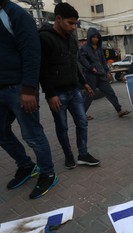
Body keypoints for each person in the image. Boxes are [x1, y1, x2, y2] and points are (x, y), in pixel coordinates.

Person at [0, 0, 58, 199]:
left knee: (32, 134)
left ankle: (48, 172)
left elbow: (32, 52)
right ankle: (25, 165)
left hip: (19, 88)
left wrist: (29, 89)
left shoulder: (14, 14)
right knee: (1, 132)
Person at [39, 2, 100, 169]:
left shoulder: (71, 39)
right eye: (70, 23)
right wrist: (50, 94)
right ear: (58, 19)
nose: (74, 27)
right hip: (57, 94)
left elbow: (74, 65)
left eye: (75, 23)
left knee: (82, 122)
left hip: (74, 91)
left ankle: (83, 154)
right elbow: (42, 70)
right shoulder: (44, 38)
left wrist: (84, 83)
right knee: (62, 127)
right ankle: (68, 156)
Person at [78, 27, 130, 120]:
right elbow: (82, 59)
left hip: (101, 74)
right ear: (89, 37)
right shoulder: (84, 48)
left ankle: (119, 110)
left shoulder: (99, 48)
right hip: (91, 76)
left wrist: (107, 71)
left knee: (110, 92)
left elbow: (103, 60)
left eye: (97, 37)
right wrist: (90, 67)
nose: (95, 39)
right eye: (93, 37)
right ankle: (81, 115)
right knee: (89, 95)